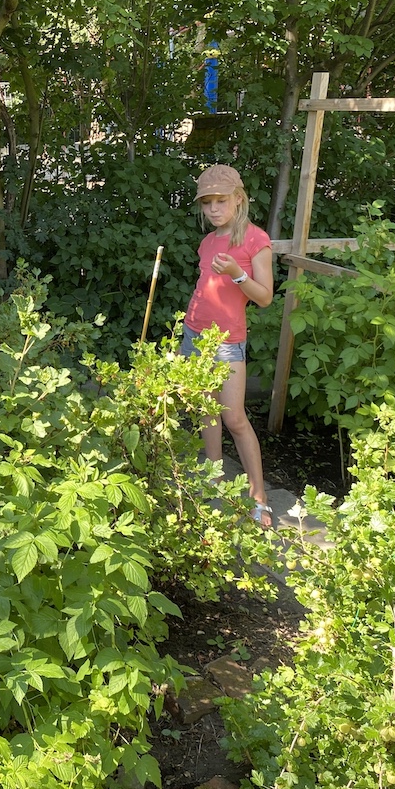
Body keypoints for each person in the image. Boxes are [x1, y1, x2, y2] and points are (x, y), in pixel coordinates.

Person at [180, 164, 275, 527]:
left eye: (221, 200)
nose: (214, 209)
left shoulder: (256, 240)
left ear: (239, 199)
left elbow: (264, 297)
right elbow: (204, 290)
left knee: (234, 418)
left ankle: (259, 497)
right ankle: (214, 479)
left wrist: (237, 272)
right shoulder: (207, 242)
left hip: (226, 341)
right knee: (205, 411)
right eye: (207, 203)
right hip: (194, 334)